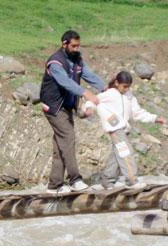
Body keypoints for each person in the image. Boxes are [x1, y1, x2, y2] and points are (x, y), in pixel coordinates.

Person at [40, 30, 105, 193]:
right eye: (74, 46)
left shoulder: (77, 60)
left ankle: (54, 185)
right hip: (54, 107)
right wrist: (86, 93)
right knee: (68, 137)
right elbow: (65, 82)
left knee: (60, 144)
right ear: (64, 44)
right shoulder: (55, 62)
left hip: (67, 106)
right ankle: (75, 179)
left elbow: (90, 76)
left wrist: (106, 88)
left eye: (78, 46)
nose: (76, 49)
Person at [83, 71, 165, 189]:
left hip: (124, 129)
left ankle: (107, 179)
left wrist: (155, 119)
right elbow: (92, 100)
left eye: (128, 87)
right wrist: (88, 108)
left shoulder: (129, 95)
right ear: (117, 83)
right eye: (124, 86)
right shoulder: (109, 94)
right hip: (115, 128)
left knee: (117, 155)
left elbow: (137, 112)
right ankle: (132, 180)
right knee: (126, 153)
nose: (126, 89)